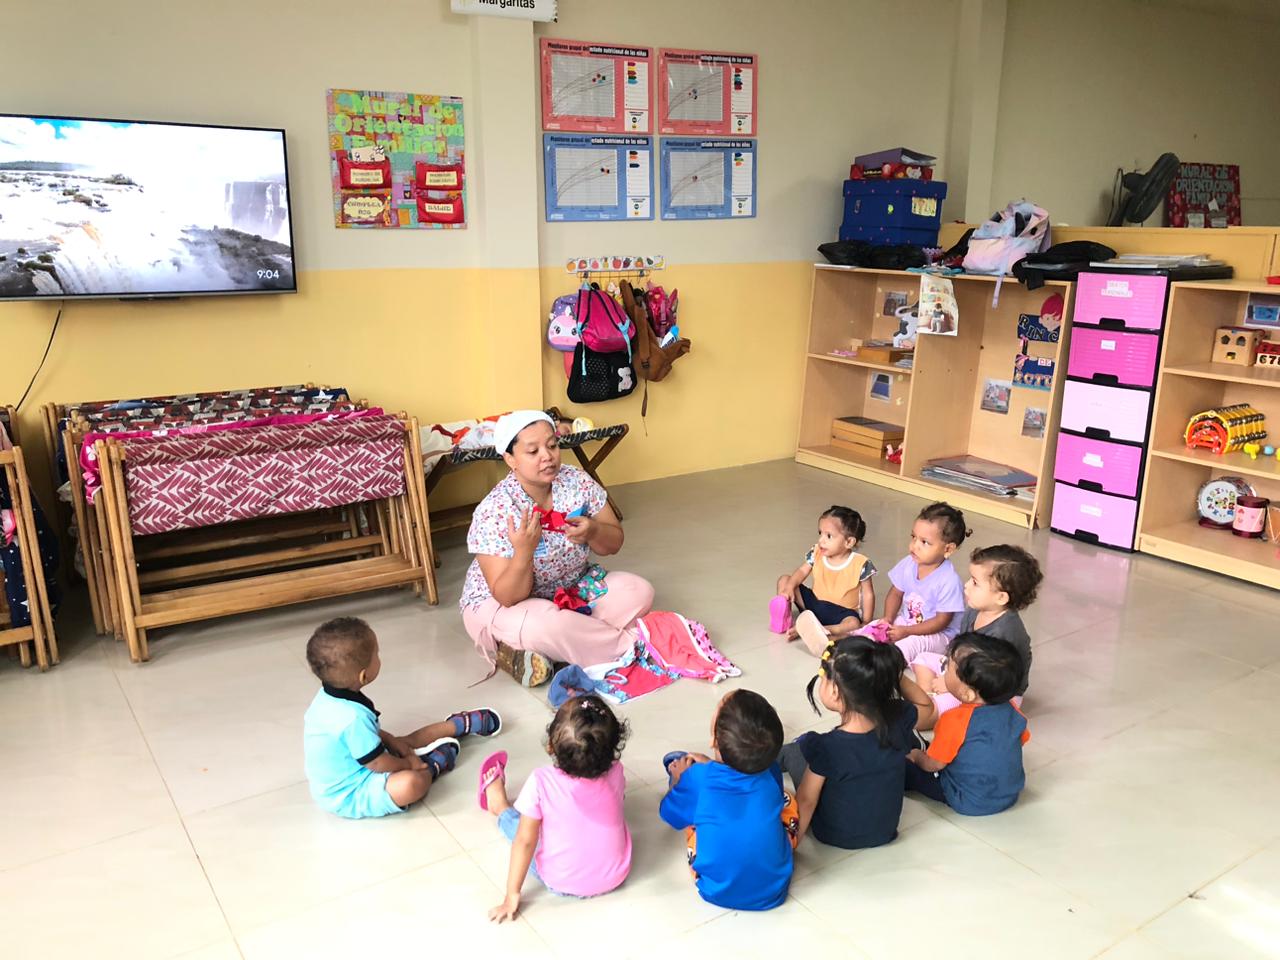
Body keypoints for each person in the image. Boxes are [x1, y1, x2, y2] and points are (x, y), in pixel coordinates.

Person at [460, 410, 655, 686]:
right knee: (547, 625)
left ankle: (553, 651)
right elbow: (507, 596)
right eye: (533, 451)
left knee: (638, 591)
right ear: (510, 459)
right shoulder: (496, 510)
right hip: (507, 606)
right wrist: (524, 553)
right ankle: (632, 648)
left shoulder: (576, 481)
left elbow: (614, 543)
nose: (547, 456)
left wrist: (594, 530)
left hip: (570, 591)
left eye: (552, 445)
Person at [302, 617, 501, 818]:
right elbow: (376, 763)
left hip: (359, 760)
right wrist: (409, 764)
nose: (379, 657)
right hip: (352, 793)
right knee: (410, 784)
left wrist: (391, 740)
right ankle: (431, 767)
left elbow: (361, 735)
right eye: (376, 655)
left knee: (404, 742)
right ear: (364, 676)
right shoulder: (352, 717)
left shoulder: (329, 697)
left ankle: (454, 725)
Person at [480, 695, 631, 920]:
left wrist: (511, 895)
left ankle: (499, 806)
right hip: (615, 874)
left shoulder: (541, 781)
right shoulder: (617, 769)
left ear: (550, 746)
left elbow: (525, 841)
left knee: (522, 828)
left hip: (561, 880)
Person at [779, 637, 934, 850]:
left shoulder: (826, 747)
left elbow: (807, 800)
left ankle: (761, 758)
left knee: (796, 751)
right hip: (884, 832)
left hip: (833, 834)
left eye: (823, 678)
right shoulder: (899, 717)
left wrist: (789, 850)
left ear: (835, 691)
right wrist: (893, 675)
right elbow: (926, 706)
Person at [658, 689, 796, 912]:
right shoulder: (771, 770)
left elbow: (669, 815)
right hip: (774, 889)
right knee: (787, 801)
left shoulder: (698, 778)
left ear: (714, 739)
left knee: (694, 820)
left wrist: (679, 778)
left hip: (715, 890)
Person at [910, 544, 1042, 727]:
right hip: (965, 670)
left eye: (975, 582)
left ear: (1001, 598)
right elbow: (959, 647)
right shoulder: (975, 609)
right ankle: (928, 696)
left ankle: (931, 710)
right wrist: (948, 673)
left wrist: (949, 684)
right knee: (922, 658)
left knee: (920, 718)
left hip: (990, 693)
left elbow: (987, 680)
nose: (966, 585)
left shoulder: (1004, 633)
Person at [905, 633, 1030, 816]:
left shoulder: (954, 720)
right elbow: (1020, 740)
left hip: (968, 799)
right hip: (1010, 793)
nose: (944, 672)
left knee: (905, 767)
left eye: (948, 668)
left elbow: (934, 764)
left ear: (967, 694)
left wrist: (917, 757)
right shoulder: (1013, 709)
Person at [771, 505, 876, 653]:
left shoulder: (861, 564)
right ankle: (784, 614)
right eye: (820, 533)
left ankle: (823, 630)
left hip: (842, 613)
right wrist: (789, 588)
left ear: (849, 542)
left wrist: (866, 621)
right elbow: (802, 571)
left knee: (853, 623)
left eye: (828, 536)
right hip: (814, 603)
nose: (821, 540)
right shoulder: (817, 553)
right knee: (785, 580)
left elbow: (868, 594)